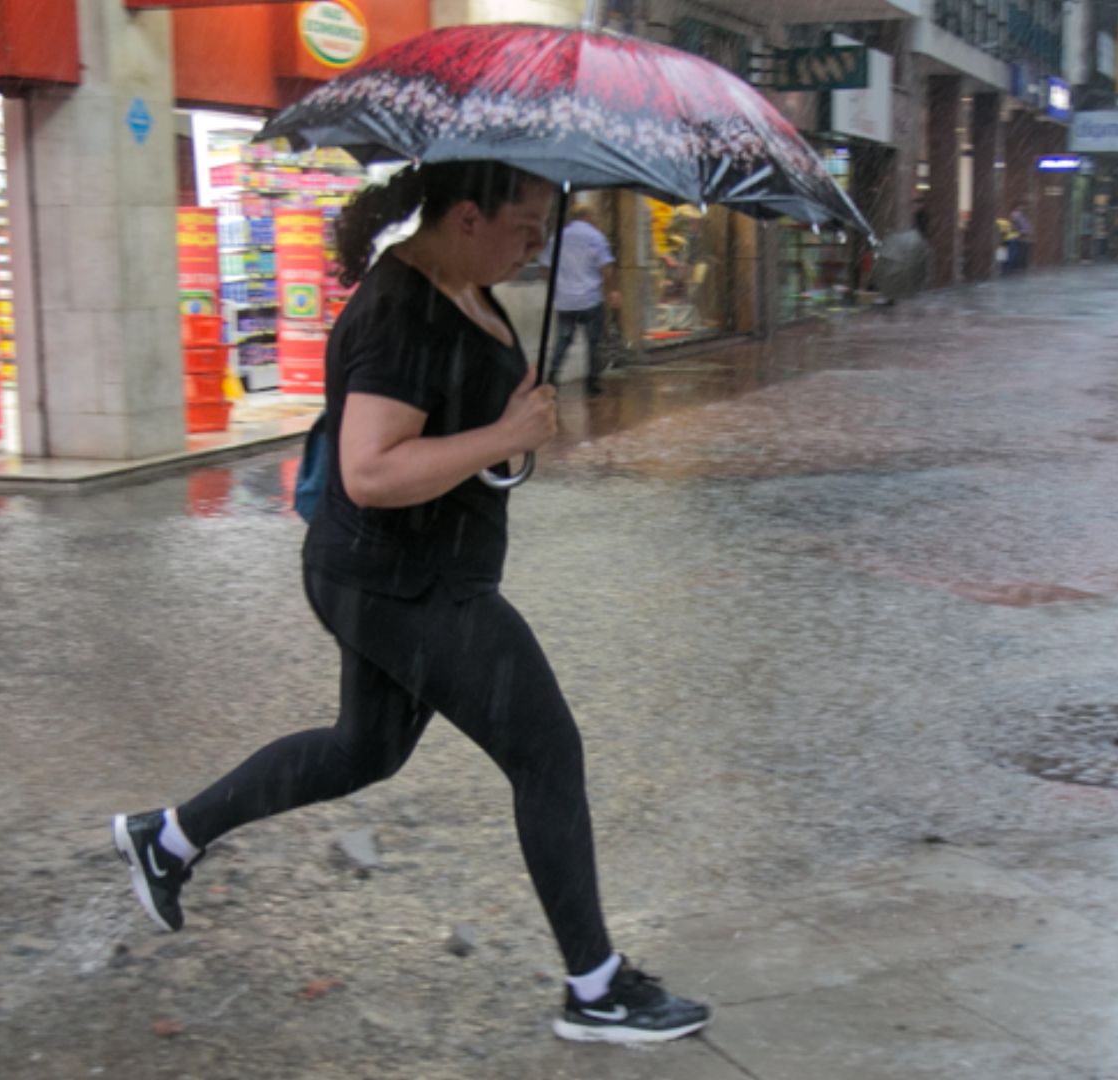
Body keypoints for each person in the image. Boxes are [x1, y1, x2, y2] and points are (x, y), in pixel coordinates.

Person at [111, 161, 710, 1046]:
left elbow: (449, 430)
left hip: (412, 572)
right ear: (469, 216)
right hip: (402, 581)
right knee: (547, 753)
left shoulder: (467, 284)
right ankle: (596, 986)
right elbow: (371, 470)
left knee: (365, 749)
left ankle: (166, 839)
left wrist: (500, 451)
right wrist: (503, 436)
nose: (536, 245)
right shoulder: (403, 309)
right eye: (527, 226)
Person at [546, 205, 620, 397]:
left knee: (563, 340)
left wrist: (558, 286)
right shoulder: (596, 237)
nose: (596, 219)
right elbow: (606, 267)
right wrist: (612, 290)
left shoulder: (557, 238)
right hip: (590, 299)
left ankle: (552, 377)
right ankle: (592, 383)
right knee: (593, 342)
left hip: (565, 301)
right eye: (594, 216)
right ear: (587, 216)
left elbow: (546, 267)